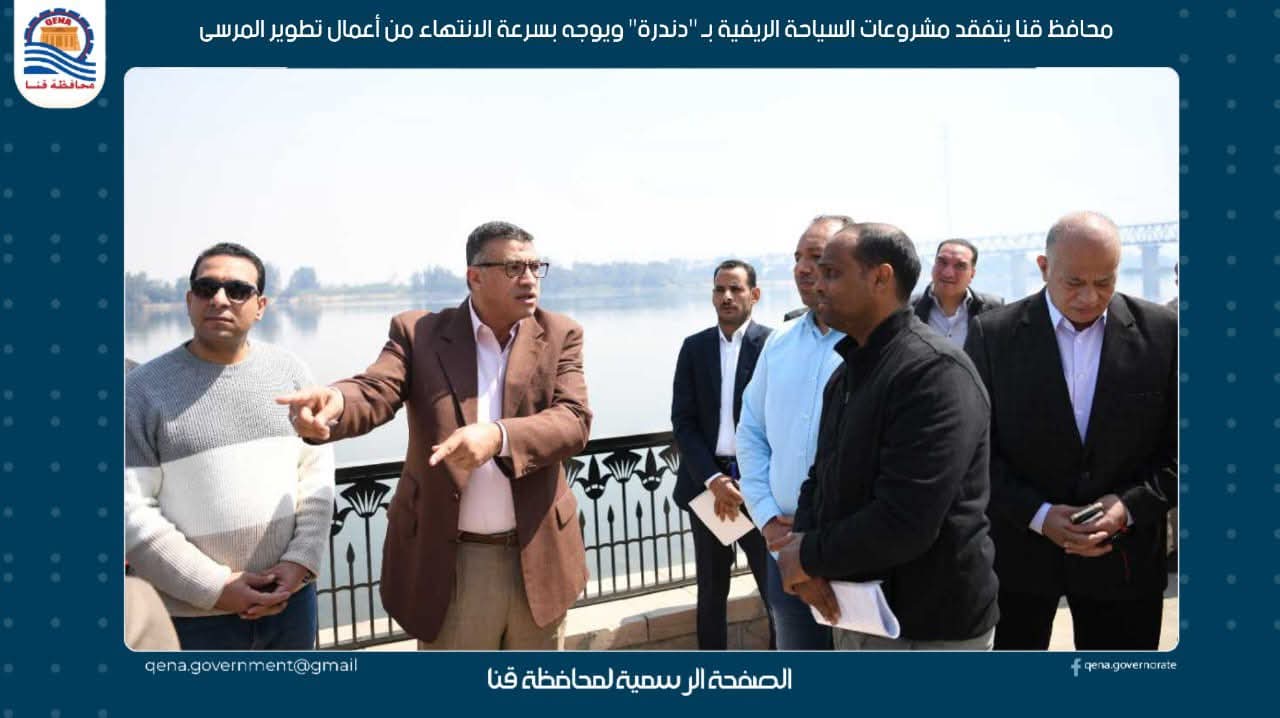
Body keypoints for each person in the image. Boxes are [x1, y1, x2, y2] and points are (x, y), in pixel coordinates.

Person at [278, 221, 591, 650]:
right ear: (474, 276)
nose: (530, 279)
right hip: (451, 564)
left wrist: (497, 436)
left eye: (536, 267)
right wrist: (335, 401)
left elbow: (573, 420)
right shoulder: (420, 333)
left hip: (539, 557)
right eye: (514, 267)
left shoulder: (559, 334)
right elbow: (376, 389)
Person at [776, 223, 1000, 650]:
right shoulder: (849, 373)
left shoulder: (934, 373)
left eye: (832, 273)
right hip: (858, 614)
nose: (817, 285)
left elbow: (906, 520)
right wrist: (804, 559)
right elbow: (820, 479)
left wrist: (806, 555)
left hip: (929, 630)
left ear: (881, 278)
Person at [965, 211, 1176, 650]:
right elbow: (973, 452)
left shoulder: (1164, 332)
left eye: (1104, 281)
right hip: (1019, 561)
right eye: (1074, 282)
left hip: (1126, 564)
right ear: (1044, 267)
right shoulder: (992, 336)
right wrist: (1039, 515)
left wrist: (1128, 506)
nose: (1089, 297)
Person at [125, 242, 335, 650]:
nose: (220, 299)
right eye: (207, 288)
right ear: (190, 300)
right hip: (190, 618)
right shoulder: (142, 391)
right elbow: (131, 510)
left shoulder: (291, 372)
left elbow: (316, 477)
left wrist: (299, 562)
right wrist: (215, 587)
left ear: (260, 306)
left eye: (237, 290)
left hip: (290, 603)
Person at [736, 214, 853, 650]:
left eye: (817, 257)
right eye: (798, 257)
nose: (803, 268)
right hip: (782, 549)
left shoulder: (874, 347)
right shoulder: (779, 342)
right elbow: (751, 432)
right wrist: (767, 520)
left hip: (854, 553)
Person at [671, 260, 774, 649]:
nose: (726, 297)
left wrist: (745, 483)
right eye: (719, 289)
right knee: (711, 590)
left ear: (754, 294)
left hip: (757, 489)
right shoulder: (694, 348)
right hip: (706, 487)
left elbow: (781, 423)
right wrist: (714, 481)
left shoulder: (773, 346)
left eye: (736, 288)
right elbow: (683, 422)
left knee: (775, 589)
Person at [910, 238, 1003, 347]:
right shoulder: (909, 309)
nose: (948, 273)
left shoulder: (992, 309)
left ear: (972, 274)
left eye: (960, 266)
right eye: (942, 262)